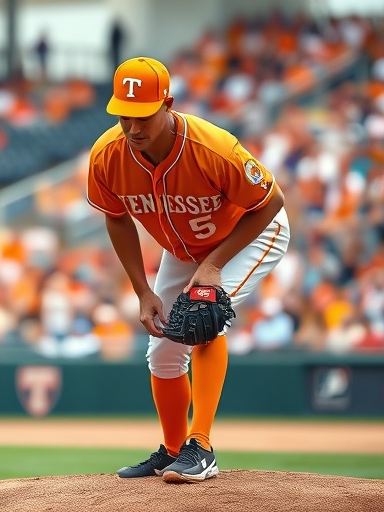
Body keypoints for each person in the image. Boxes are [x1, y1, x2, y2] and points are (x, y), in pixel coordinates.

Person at [86, 57, 290, 482]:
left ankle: (202, 447)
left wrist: (214, 266)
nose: (133, 126)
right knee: (162, 351)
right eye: (124, 115)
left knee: (204, 314)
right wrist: (143, 290)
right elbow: (116, 216)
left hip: (250, 233)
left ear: (168, 104)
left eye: (143, 114)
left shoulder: (212, 147)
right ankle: (174, 449)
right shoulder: (108, 156)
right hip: (183, 246)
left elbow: (270, 202)